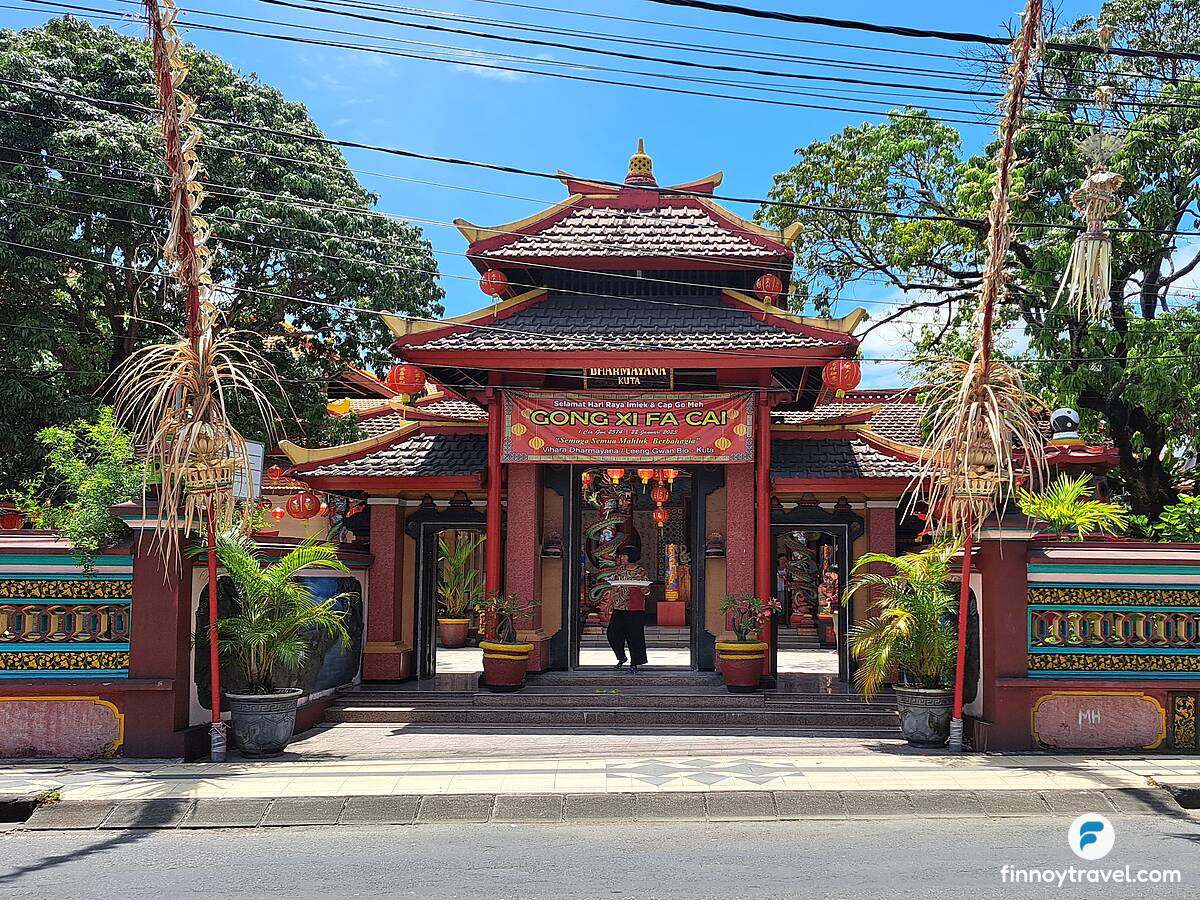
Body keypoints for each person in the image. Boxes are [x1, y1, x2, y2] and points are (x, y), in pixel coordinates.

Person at [607, 546, 648, 673]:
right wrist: (610, 603)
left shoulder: (641, 572)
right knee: (612, 633)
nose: (622, 558)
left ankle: (635, 663)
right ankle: (621, 656)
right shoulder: (619, 570)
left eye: (624, 556)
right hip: (619, 607)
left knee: (635, 637)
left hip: (635, 608)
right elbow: (614, 588)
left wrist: (643, 588)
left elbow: (646, 591)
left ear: (631, 557)